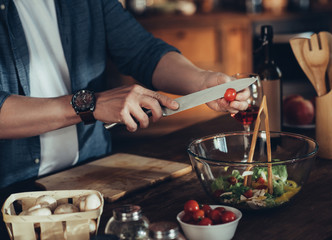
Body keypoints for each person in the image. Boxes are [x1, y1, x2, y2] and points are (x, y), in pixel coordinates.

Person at [0, 0, 250, 189]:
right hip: (14, 187)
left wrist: (202, 81)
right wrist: (88, 105)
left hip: (93, 174)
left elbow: (142, 51)